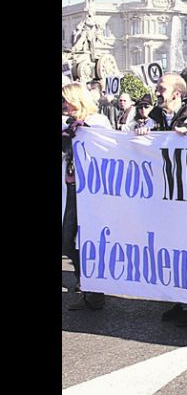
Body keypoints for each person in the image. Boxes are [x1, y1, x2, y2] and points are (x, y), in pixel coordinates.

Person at [137, 73, 187, 327]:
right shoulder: (155, 119)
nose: (157, 92)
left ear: (176, 94)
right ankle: (179, 298)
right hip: (163, 200)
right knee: (169, 251)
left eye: (162, 88)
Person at [62, 83, 113, 311]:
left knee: (89, 241)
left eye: (66, 100)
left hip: (93, 192)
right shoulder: (67, 125)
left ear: (77, 99)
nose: (63, 105)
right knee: (67, 240)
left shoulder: (98, 122)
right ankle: (87, 284)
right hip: (72, 190)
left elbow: (110, 151)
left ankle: (94, 291)